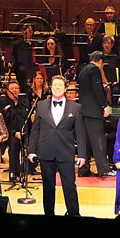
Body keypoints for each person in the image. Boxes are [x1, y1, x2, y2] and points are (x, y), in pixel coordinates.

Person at [28, 75, 87, 216]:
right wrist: (31, 150)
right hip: (45, 152)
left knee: (69, 186)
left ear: (65, 88)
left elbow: (80, 132)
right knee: (48, 188)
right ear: (51, 87)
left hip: (65, 152)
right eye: (55, 85)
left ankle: (74, 215)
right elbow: (35, 130)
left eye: (60, 85)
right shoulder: (41, 105)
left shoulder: (76, 107)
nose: (57, 87)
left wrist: (82, 154)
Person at [77, 51, 112, 177]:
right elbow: (97, 89)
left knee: (86, 142)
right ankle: (104, 170)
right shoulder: (94, 69)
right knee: (98, 141)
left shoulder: (83, 70)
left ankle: (84, 169)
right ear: (100, 61)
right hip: (93, 111)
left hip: (84, 110)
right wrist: (104, 105)